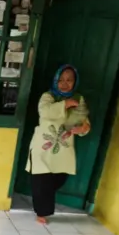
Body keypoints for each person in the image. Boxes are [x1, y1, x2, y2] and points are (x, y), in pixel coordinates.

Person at [27, 64, 90, 224]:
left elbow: (83, 121)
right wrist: (65, 104)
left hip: (63, 147)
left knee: (60, 177)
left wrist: (83, 129)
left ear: (75, 82)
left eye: (69, 80)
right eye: (61, 79)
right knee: (41, 179)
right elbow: (45, 112)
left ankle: (43, 200)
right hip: (43, 146)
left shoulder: (78, 99)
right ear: (56, 80)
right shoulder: (48, 96)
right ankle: (41, 212)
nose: (64, 83)